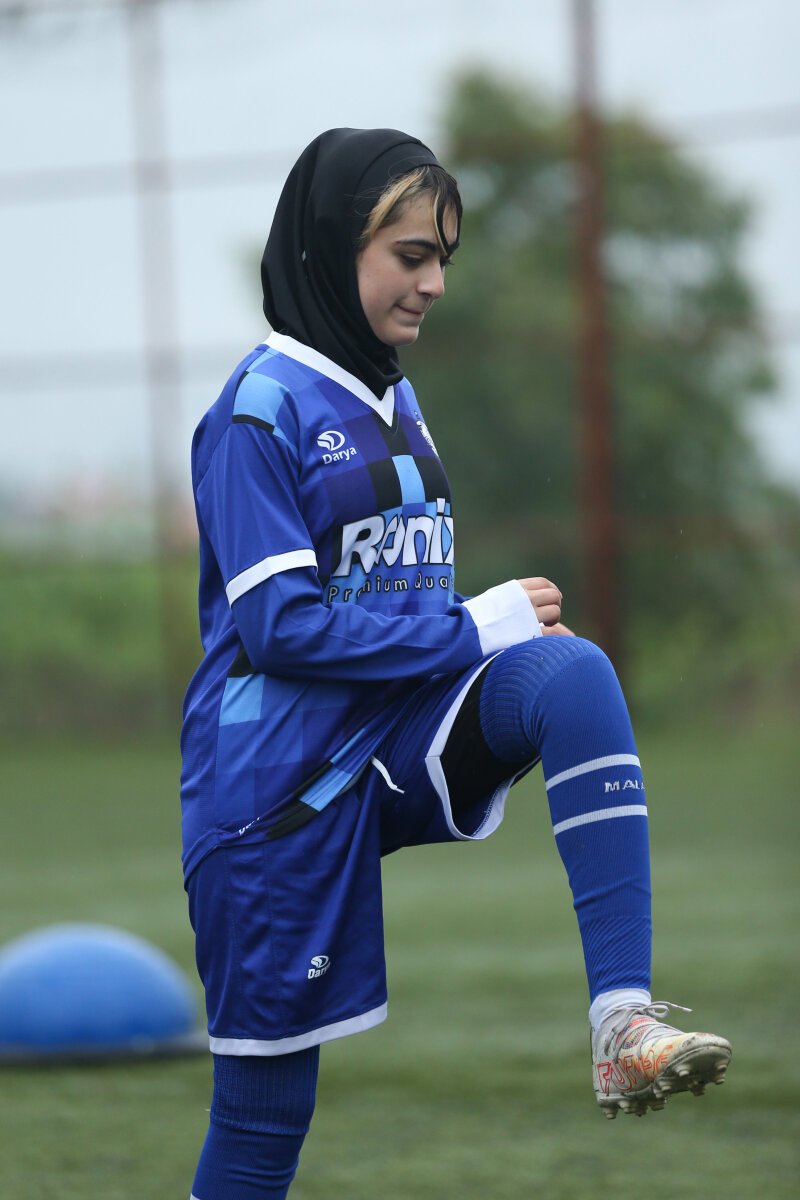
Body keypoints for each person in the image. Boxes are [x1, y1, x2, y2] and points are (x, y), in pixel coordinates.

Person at [180, 127, 731, 1199]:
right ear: (328, 249)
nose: (433, 283)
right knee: (260, 1126)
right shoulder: (256, 413)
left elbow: (396, 602)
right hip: (270, 798)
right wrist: (475, 630)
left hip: (386, 741)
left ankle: (620, 1022)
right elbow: (280, 629)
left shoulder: (394, 396)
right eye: (410, 255)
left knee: (573, 675)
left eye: (442, 258)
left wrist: (494, 647)